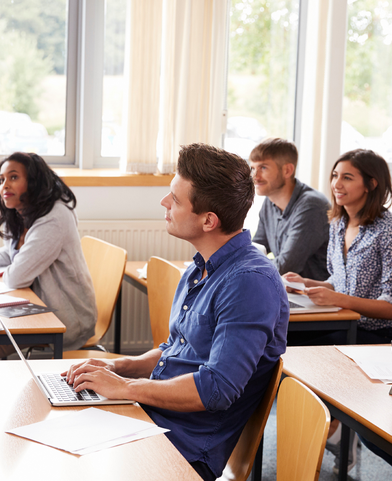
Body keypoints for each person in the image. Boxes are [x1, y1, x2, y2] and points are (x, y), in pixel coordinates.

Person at [64, 143, 288, 481]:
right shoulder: (199, 268)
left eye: (176, 199)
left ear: (209, 221)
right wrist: (117, 367)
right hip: (151, 419)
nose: (164, 203)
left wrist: (126, 387)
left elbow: (216, 388)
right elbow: (174, 351)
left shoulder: (249, 284)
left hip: (184, 449)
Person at [0, 152, 97, 361]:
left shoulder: (54, 218)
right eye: (1, 180)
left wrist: (11, 267)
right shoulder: (25, 211)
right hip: (33, 307)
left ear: (34, 181)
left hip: (63, 317)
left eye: (13, 177)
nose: (4, 185)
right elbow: (14, 253)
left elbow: (16, 276)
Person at [283, 149, 392, 345]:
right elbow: (339, 282)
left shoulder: (389, 231)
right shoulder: (338, 224)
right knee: (278, 335)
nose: (337, 184)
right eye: (335, 176)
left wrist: (338, 299)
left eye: (347, 178)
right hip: (346, 324)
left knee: (291, 343)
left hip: (381, 333)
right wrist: (306, 283)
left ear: (371, 184)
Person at [249, 138, 330, 280]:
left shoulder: (311, 205)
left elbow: (285, 267)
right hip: (288, 291)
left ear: (287, 170)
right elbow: (255, 250)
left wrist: (246, 268)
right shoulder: (269, 201)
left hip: (312, 297)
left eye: (263, 168)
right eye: (253, 168)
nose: (255, 176)